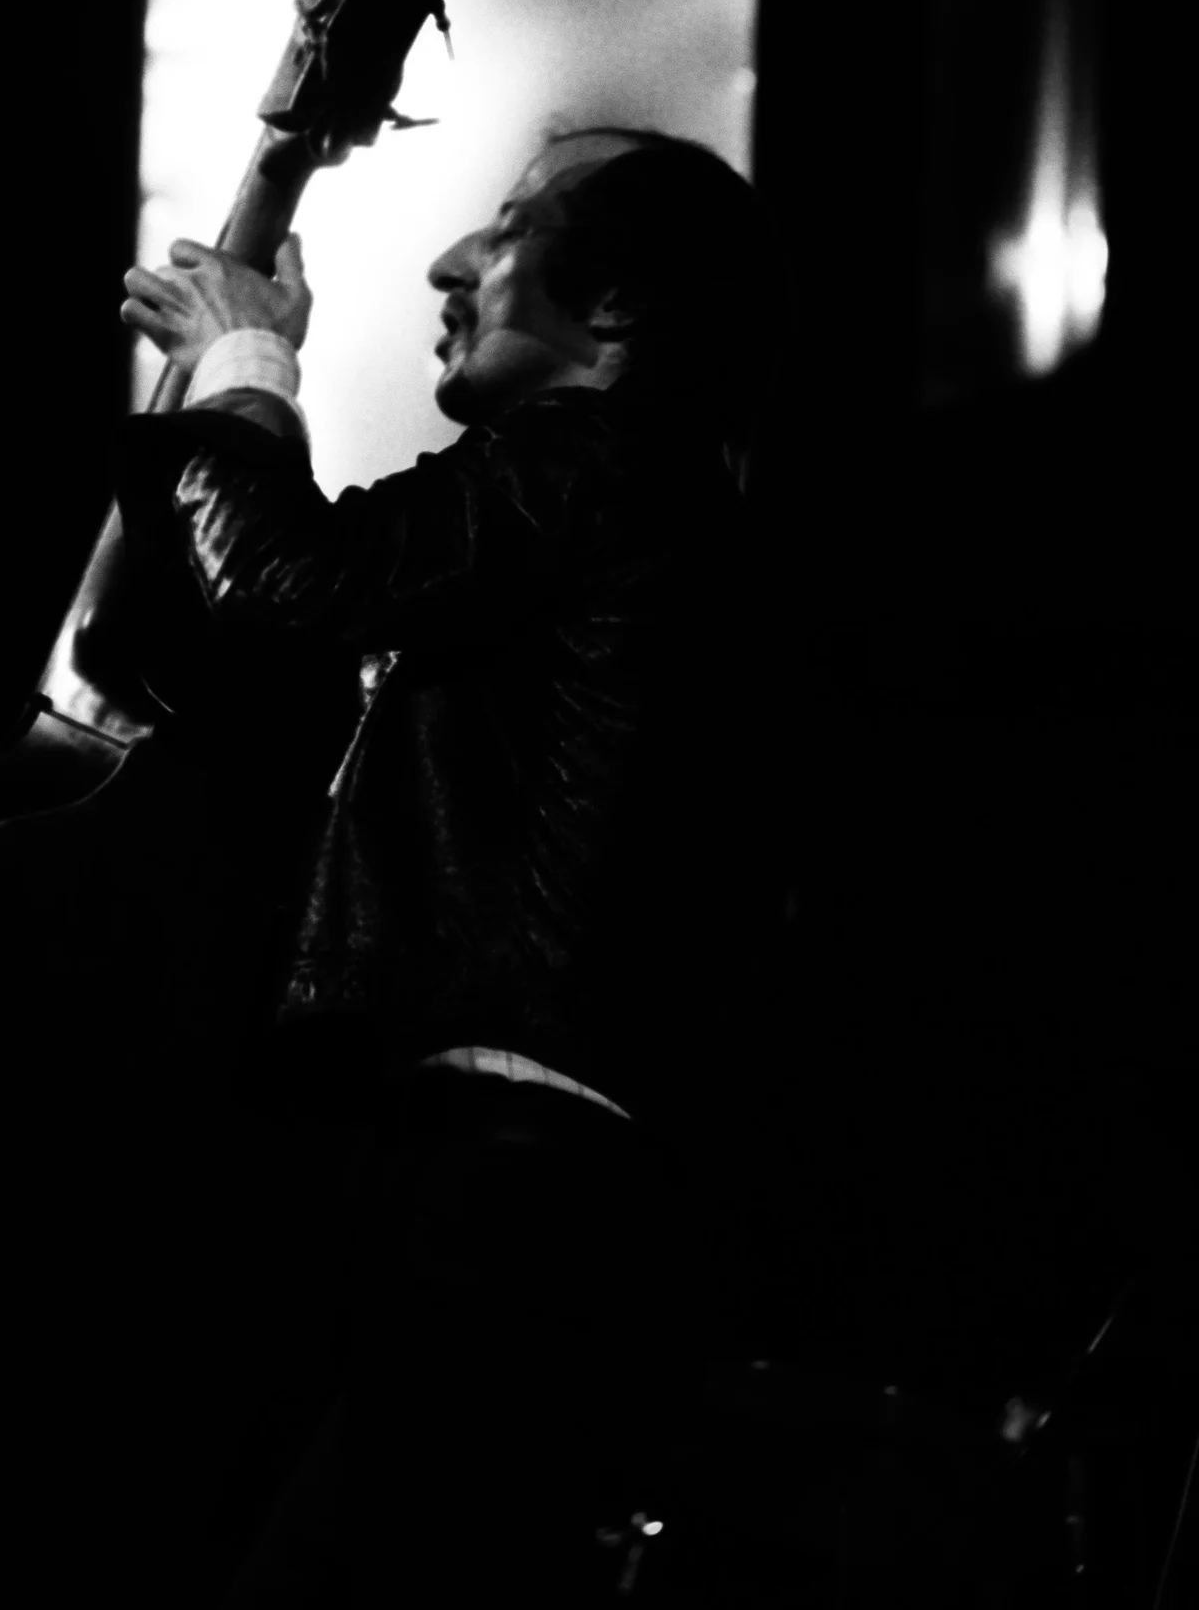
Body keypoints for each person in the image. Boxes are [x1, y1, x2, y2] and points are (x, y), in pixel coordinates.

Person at [113, 123, 790, 1607]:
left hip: (503, 1193)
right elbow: (262, 635)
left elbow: (287, 583)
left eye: (511, 222)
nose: (450, 260)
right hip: (528, 1191)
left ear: (620, 301)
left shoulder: (602, 457)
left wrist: (245, 366)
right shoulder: (647, 512)